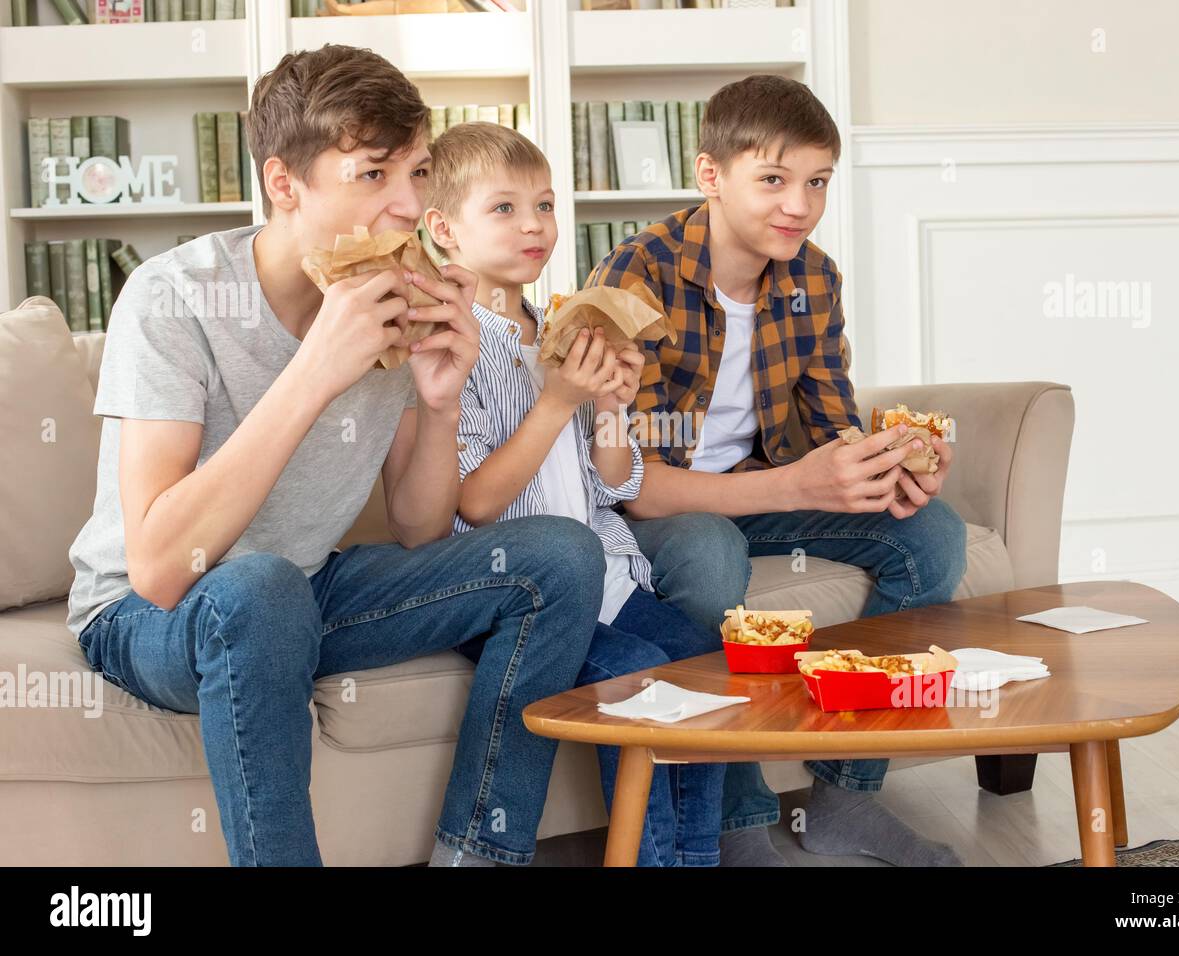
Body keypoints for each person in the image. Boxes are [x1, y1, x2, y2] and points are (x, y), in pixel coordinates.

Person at [65, 44, 608, 867]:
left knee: (562, 556)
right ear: (285, 184)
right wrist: (317, 367)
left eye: (418, 172)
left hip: (306, 588)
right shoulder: (174, 297)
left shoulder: (402, 293)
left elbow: (422, 531)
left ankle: (480, 855)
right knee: (258, 586)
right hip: (151, 617)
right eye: (372, 175)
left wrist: (438, 399)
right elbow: (160, 568)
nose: (406, 206)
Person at [588, 74, 968, 867]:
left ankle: (844, 800)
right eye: (773, 179)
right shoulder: (636, 277)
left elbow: (833, 426)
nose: (799, 204)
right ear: (710, 175)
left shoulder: (813, 278)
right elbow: (631, 485)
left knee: (928, 536)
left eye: (817, 182)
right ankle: (743, 829)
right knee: (705, 551)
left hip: (759, 495)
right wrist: (797, 483)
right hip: (655, 515)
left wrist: (888, 468)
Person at [424, 121, 727, 867]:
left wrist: (614, 406)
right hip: (517, 591)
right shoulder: (453, 342)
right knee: (638, 683)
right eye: (504, 208)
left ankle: (697, 860)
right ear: (442, 230)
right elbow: (472, 502)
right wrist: (557, 401)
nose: (534, 225)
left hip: (611, 576)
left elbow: (615, 484)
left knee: (705, 669)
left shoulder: (566, 327)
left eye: (546, 205)